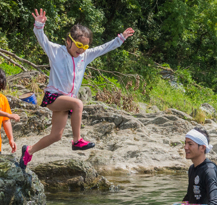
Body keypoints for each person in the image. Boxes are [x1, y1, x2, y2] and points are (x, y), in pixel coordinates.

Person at [18, 9, 135, 168]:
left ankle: (29, 151)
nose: (81, 49)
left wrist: (120, 38)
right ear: (68, 40)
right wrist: (39, 25)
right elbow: (42, 39)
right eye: (79, 45)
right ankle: (77, 141)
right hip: (54, 96)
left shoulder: (84, 56)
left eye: (85, 47)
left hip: (65, 100)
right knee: (78, 104)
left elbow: (103, 48)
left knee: (56, 136)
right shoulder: (56, 51)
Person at [180, 127, 217, 205]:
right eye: (185, 143)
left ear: (202, 147)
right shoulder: (192, 169)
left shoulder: (209, 170)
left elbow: (214, 202)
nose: (185, 147)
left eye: (190, 144)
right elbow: (190, 195)